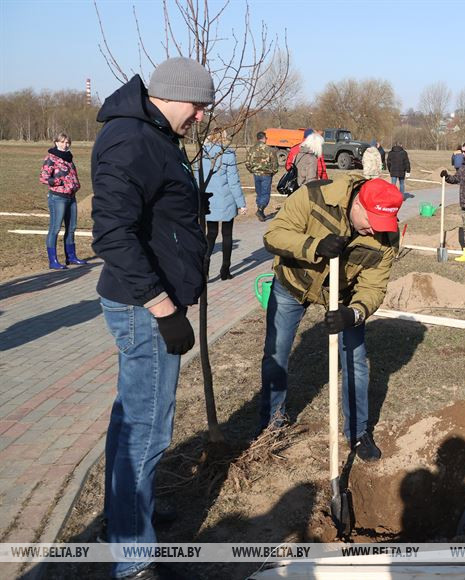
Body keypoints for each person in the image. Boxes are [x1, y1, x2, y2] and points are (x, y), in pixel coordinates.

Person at [91, 57, 214, 580]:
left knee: (129, 421)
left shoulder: (154, 134)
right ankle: (133, 560)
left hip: (150, 301)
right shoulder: (132, 140)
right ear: (174, 96)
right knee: (146, 430)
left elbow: (150, 209)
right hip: (144, 309)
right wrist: (164, 311)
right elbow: (112, 234)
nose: (202, 118)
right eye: (199, 107)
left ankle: (124, 520)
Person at [260, 175, 404, 462]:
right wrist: (314, 245)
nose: (373, 231)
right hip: (293, 283)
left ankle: (358, 431)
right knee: (276, 354)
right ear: (358, 202)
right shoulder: (314, 196)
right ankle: (271, 424)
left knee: (356, 362)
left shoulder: (386, 235)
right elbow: (273, 235)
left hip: (344, 295)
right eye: (371, 221)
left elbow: (374, 286)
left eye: (382, 226)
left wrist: (354, 313)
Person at [202, 130, 247, 280]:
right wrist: (241, 203)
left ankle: (205, 268)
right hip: (226, 198)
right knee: (227, 234)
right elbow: (233, 181)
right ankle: (225, 270)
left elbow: (198, 177)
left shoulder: (202, 153)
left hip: (208, 199)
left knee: (211, 234)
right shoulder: (227, 154)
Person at [40, 132, 84, 269]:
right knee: (55, 228)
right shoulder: (51, 158)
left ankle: (71, 257)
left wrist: (76, 185)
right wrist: (59, 181)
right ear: (56, 143)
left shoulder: (69, 158)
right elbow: (43, 178)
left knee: (71, 228)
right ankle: (53, 260)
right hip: (57, 197)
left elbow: (73, 175)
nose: (65, 145)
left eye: (67, 142)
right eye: (63, 142)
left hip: (71, 197)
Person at [245, 131, 278, 221]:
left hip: (256, 174)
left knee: (259, 192)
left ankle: (261, 212)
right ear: (264, 138)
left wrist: (252, 170)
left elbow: (247, 163)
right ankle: (260, 210)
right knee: (265, 193)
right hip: (266, 174)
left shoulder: (251, 149)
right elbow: (275, 164)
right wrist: (272, 172)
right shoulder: (269, 150)